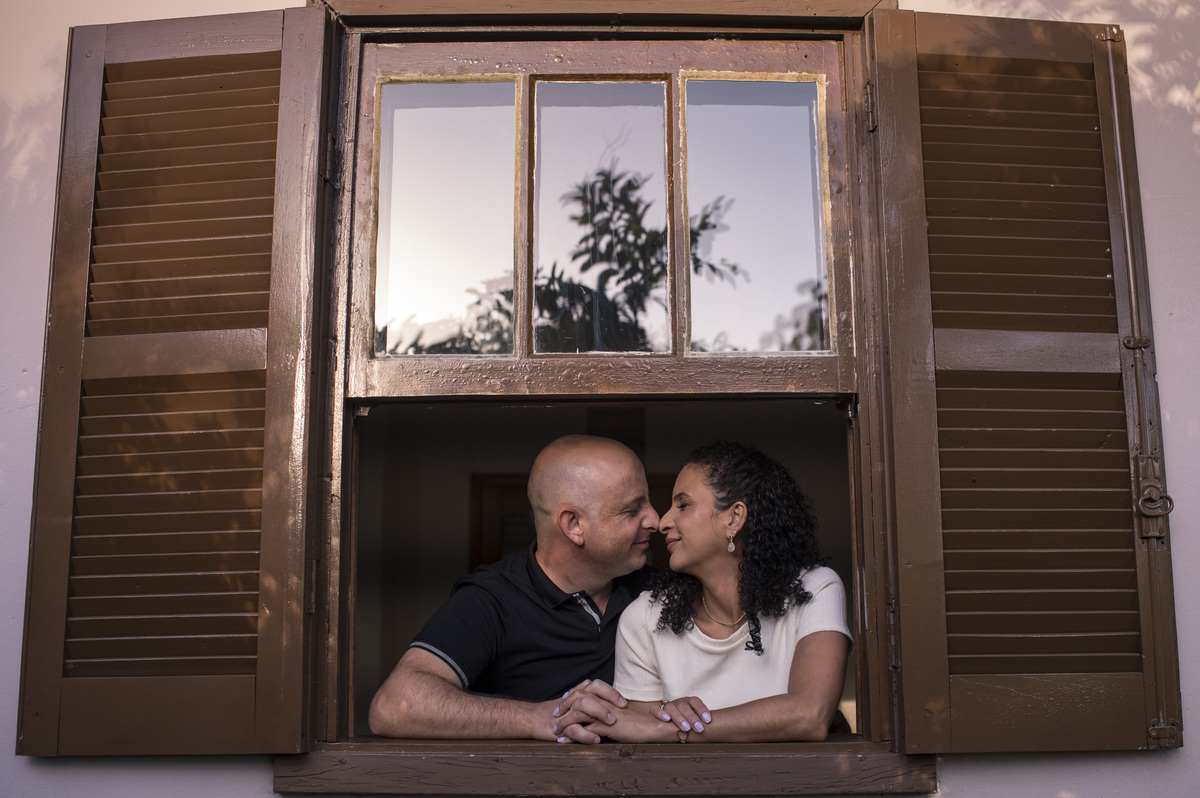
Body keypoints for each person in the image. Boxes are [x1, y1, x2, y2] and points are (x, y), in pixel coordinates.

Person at [555, 440, 850, 743]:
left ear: (734, 518)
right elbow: (643, 750)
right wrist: (668, 728)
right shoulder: (644, 617)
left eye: (683, 505)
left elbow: (809, 715)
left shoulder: (814, 589)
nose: (664, 521)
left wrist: (672, 728)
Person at [368, 434, 659, 742]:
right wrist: (534, 718)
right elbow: (396, 706)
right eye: (631, 510)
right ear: (573, 525)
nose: (655, 519)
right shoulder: (493, 598)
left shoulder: (659, 589)